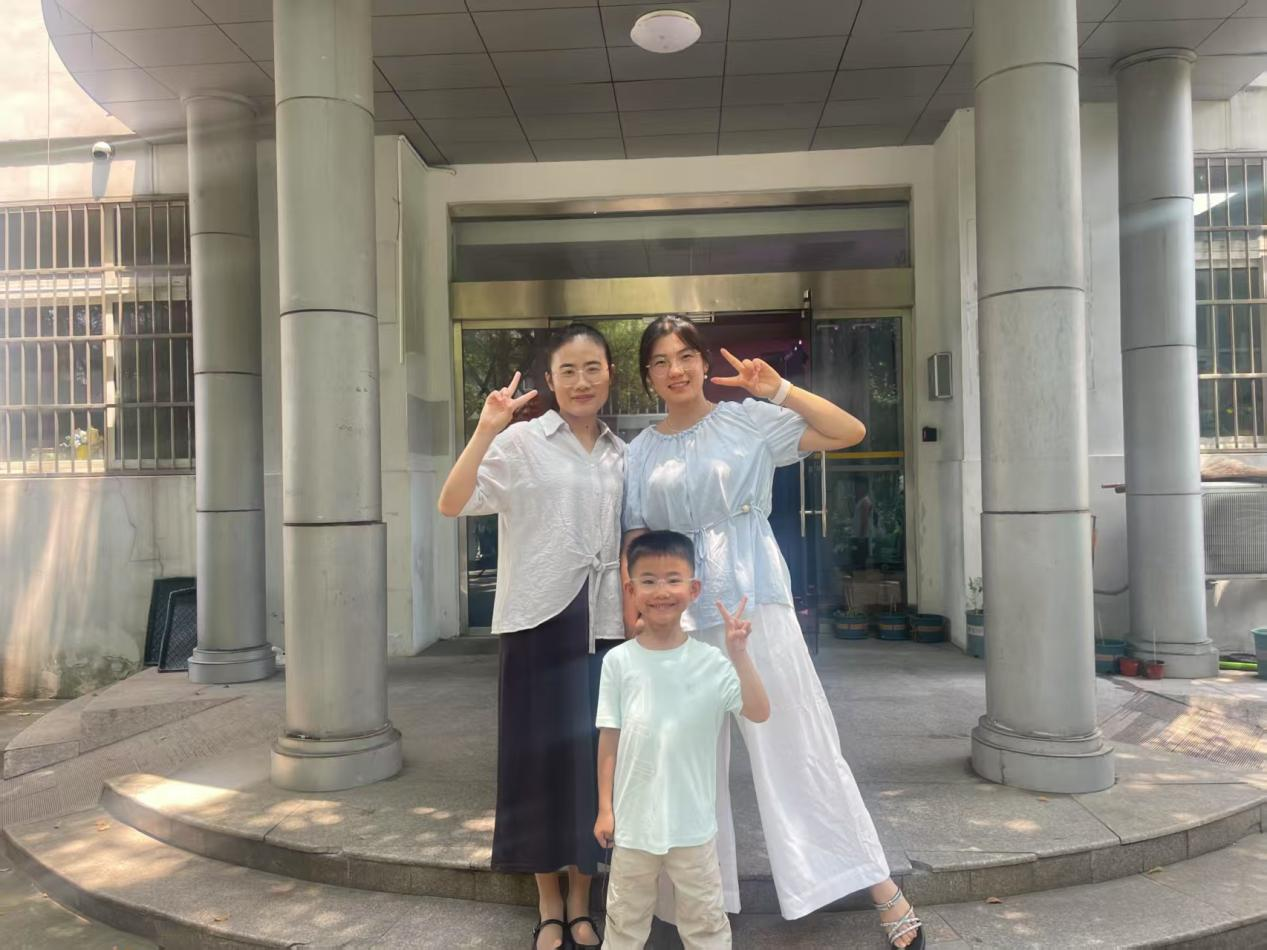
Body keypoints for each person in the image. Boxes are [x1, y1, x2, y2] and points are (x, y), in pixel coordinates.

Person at [621, 316, 924, 950]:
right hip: (677, 620)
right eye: (660, 361)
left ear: (704, 362)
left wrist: (778, 390)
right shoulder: (640, 451)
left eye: (685, 356)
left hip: (755, 602)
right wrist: (637, 620)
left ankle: (880, 889)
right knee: (685, 765)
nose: (675, 370)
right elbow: (636, 540)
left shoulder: (748, 422)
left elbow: (849, 430)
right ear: (647, 375)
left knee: (799, 740)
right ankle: (695, 907)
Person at [438, 324, 624, 950]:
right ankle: (549, 901)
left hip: (604, 625)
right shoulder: (520, 442)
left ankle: (583, 899)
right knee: (538, 762)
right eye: (568, 370)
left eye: (592, 367)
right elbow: (452, 502)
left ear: (610, 374)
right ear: (550, 380)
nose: (581, 381)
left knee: (593, 764)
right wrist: (485, 429)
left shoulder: (621, 453)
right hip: (537, 619)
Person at [594, 530, 770, 950]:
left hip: (693, 827)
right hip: (633, 826)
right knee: (624, 921)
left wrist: (739, 654)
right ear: (631, 590)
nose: (661, 591)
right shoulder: (618, 662)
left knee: (705, 923)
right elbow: (609, 739)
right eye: (648, 580)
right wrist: (605, 809)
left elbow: (759, 710)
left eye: (673, 579)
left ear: (694, 589)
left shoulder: (712, 663)